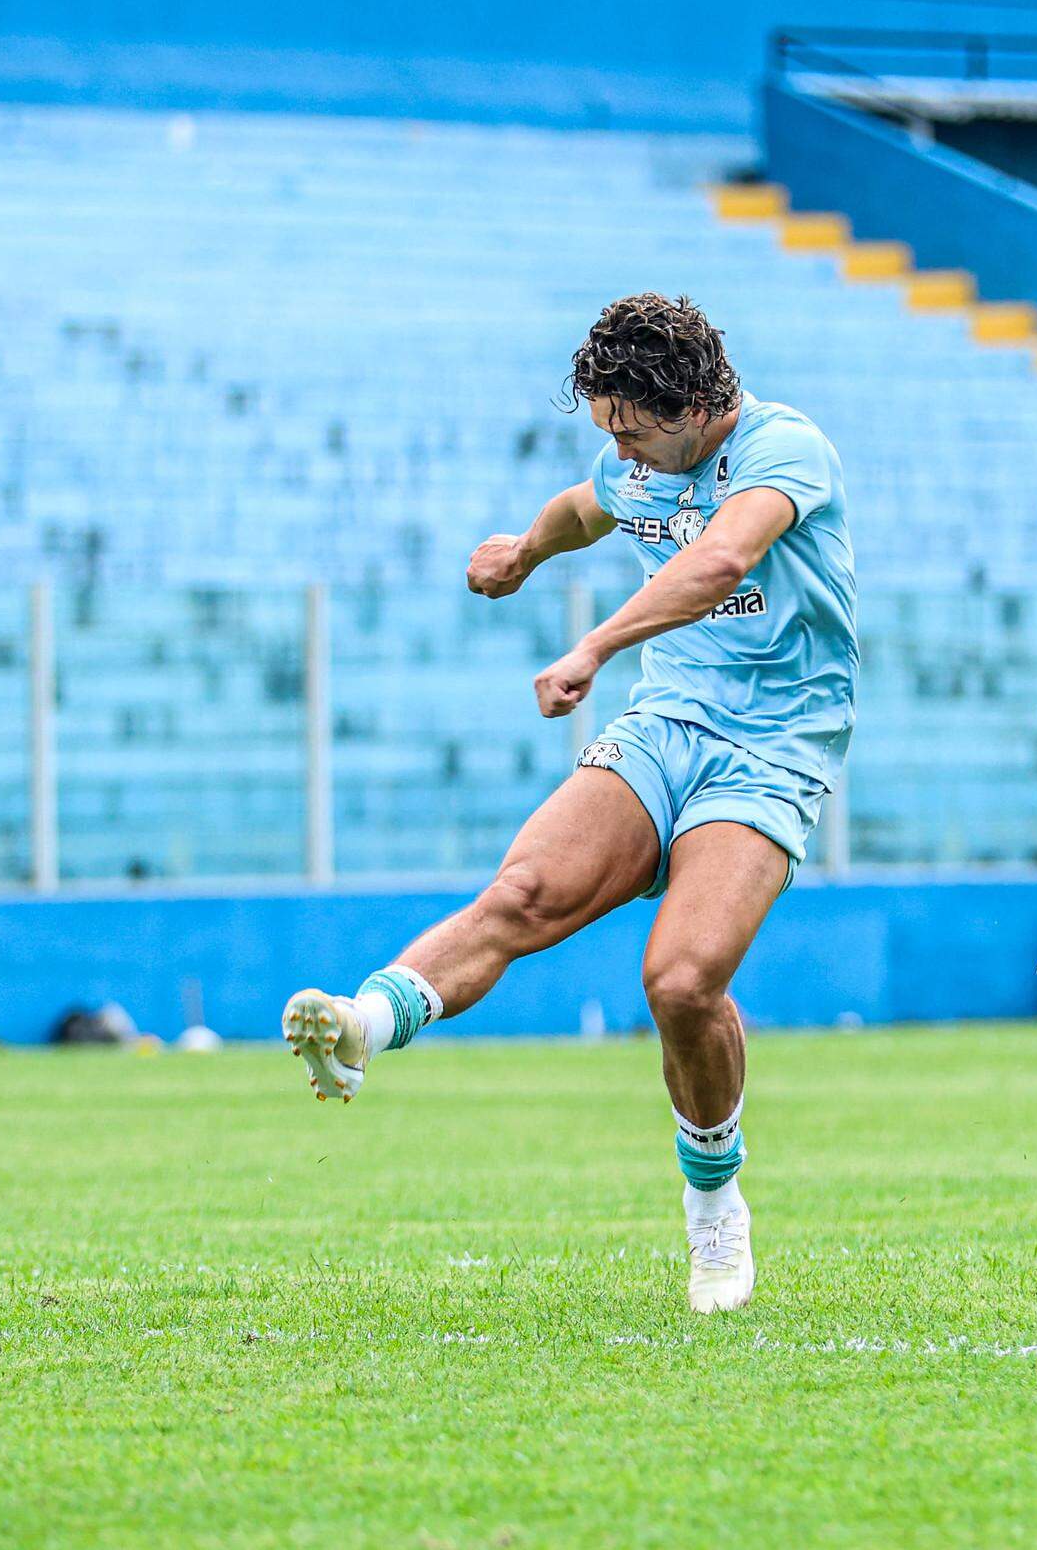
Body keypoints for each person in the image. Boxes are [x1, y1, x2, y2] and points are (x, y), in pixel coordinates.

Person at [281, 293, 856, 1315]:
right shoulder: (630, 459)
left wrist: (592, 642)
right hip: (666, 721)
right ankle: (363, 1024)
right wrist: (522, 550)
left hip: (771, 743)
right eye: (606, 431)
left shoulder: (783, 448)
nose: (620, 448)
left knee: (680, 980)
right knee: (525, 891)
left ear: (694, 404)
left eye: (633, 428)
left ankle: (713, 1207)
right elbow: (580, 507)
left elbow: (720, 558)